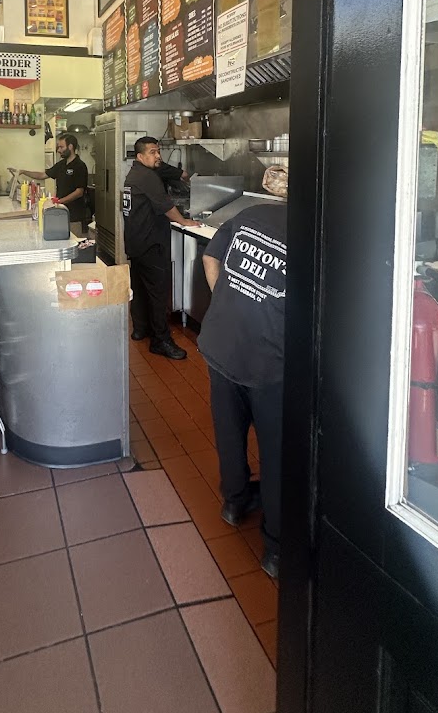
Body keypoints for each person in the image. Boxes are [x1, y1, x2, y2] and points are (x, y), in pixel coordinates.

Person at [198, 165, 288, 579]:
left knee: (230, 431)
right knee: (277, 452)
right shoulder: (316, 234)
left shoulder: (250, 214)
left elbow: (210, 255)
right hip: (267, 359)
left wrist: (227, 304)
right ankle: (276, 548)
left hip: (222, 342)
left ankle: (234, 503)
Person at [122, 136, 201, 359]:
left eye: (158, 151)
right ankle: (160, 341)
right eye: (153, 152)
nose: (158, 156)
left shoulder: (134, 174)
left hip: (136, 242)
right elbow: (166, 206)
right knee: (157, 293)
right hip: (150, 243)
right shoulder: (148, 177)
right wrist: (184, 221)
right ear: (140, 156)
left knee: (140, 288)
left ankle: (141, 329)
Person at [14, 133, 89, 236]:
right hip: (60, 212)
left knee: (74, 242)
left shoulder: (80, 166)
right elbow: (42, 175)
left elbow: (79, 192)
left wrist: (59, 201)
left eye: (61, 147)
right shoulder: (61, 165)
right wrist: (23, 172)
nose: (59, 150)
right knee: (60, 240)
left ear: (70, 147)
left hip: (75, 216)